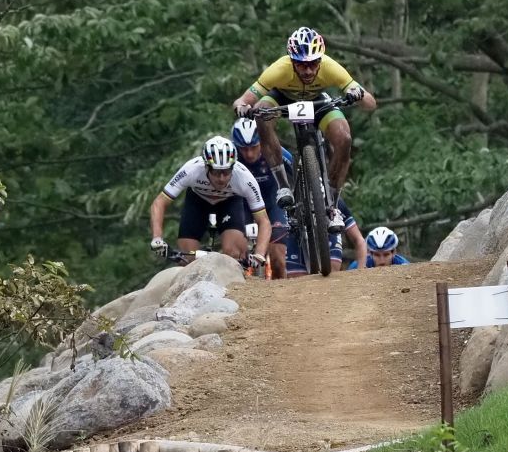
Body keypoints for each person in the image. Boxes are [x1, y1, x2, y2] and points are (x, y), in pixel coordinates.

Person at [231, 27, 376, 227]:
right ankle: (283, 185)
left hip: (318, 102)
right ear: (291, 61)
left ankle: (332, 206)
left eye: (313, 64)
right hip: (282, 99)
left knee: (344, 138)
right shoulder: (279, 69)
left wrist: (356, 93)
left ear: (320, 60)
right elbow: (243, 100)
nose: (308, 71)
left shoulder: (330, 67)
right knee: (261, 113)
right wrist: (242, 107)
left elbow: (371, 103)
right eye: (301, 65)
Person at [149, 136, 271, 267]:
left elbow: (264, 221)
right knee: (188, 261)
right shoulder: (192, 169)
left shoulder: (244, 178)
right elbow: (159, 202)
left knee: (234, 255)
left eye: (226, 171)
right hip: (197, 201)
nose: (222, 178)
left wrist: (259, 254)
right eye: (216, 172)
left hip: (229, 202)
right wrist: (157, 238)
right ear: (206, 167)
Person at [231, 118, 291, 279]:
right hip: (243, 205)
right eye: (243, 149)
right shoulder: (232, 157)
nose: (249, 154)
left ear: (262, 142)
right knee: (236, 255)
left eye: (254, 147)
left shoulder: (274, 150)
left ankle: (281, 298)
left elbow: (301, 175)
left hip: (273, 203)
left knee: (278, 260)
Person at [284, 197, 368, 276]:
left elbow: (359, 241)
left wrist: (360, 274)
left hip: (327, 232)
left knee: (332, 269)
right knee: (298, 284)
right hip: (296, 236)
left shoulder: (335, 200)